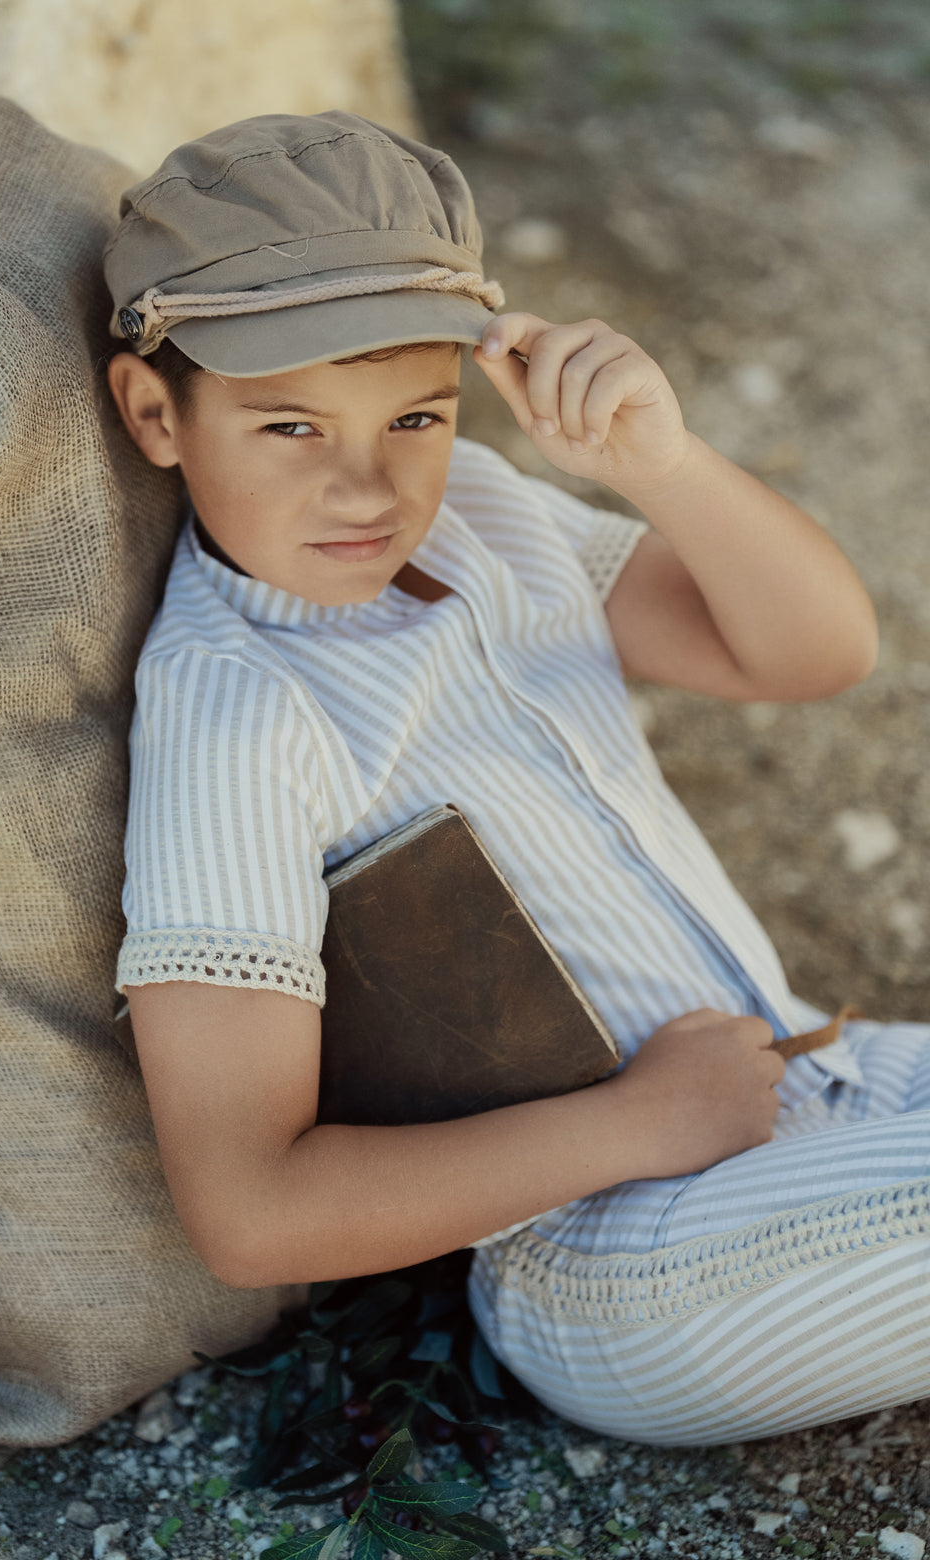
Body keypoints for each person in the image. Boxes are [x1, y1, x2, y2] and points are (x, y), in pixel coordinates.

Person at [103, 111, 930, 1445]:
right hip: (610, 1251)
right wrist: (639, 1124)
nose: (367, 487)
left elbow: (814, 652)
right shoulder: (234, 718)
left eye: (414, 414)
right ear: (156, 413)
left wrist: (661, 464)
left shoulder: (484, 511)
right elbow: (251, 1210)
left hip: (816, 1082)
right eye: (292, 426)